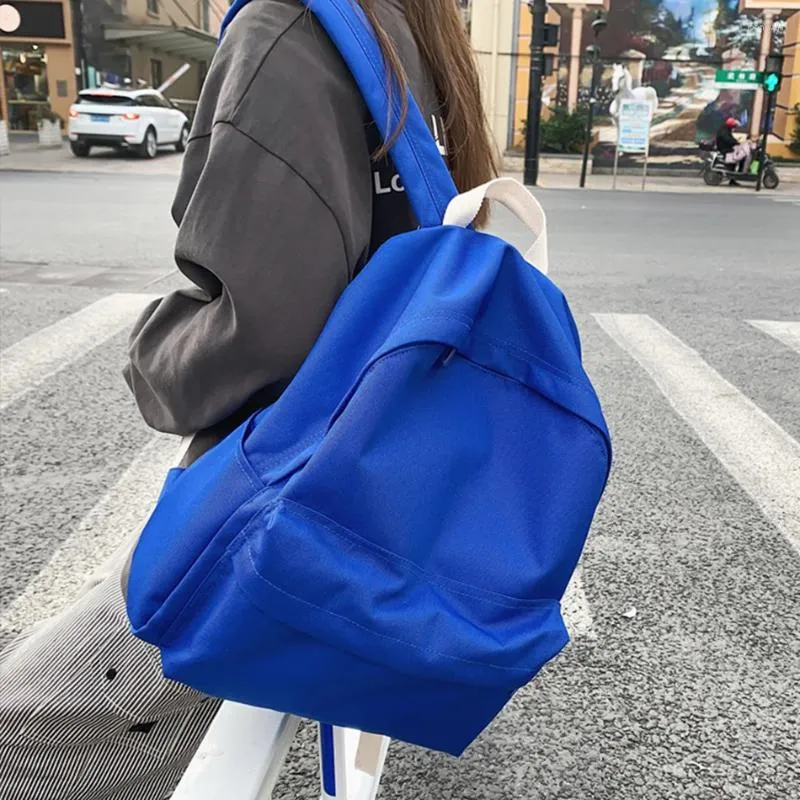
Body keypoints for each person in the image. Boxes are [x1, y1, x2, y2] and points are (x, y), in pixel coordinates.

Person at [0, 0, 496, 798]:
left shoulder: (286, 31)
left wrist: (153, 354)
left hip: (264, 507)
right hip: (370, 495)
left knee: (24, 749)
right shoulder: (413, 39)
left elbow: (259, 332)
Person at [715, 117, 747, 185]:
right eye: (734, 126)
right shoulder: (724, 131)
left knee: (738, 156)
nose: (734, 128)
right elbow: (727, 139)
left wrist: (736, 141)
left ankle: (733, 178)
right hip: (724, 149)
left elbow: (730, 138)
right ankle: (737, 173)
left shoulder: (726, 129)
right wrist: (735, 142)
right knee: (739, 156)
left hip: (727, 147)